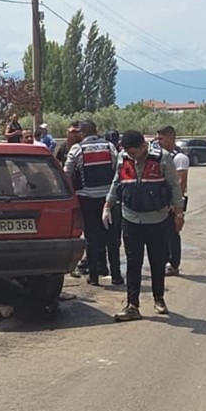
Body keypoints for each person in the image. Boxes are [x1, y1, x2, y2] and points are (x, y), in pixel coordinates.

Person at [104, 130, 183, 321]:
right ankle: (132, 305)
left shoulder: (162, 158)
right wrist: (107, 205)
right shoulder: (124, 158)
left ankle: (159, 298)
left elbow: (174, 186)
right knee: (133, 262)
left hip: (157, 219)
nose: (131, 156)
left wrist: (179, 213)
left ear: (143, 146)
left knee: (157, 260)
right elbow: (117, 182)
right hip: (130, 218)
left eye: (134, 152)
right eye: (128, 152)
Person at [65, 120, 121, 287]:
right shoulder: (109, 147)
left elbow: (67, 174)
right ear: (97, 131)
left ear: (82, 133)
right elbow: (118, 170)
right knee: (112, 239)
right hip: (108, 200)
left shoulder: (77, 149)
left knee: (91, 238)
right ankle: (116, 275)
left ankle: (94, 277)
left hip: (87, 200)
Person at [156, 126, 189, 276]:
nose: (158, 141)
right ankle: (162, 261)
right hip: (162, 202)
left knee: (172, 234)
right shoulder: (162, 155)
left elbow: (181, 182)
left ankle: (173, 264)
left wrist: (176, 206)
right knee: (162, 233)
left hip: (174, 203)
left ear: (170, 138)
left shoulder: (179, 158)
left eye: (161, 138)